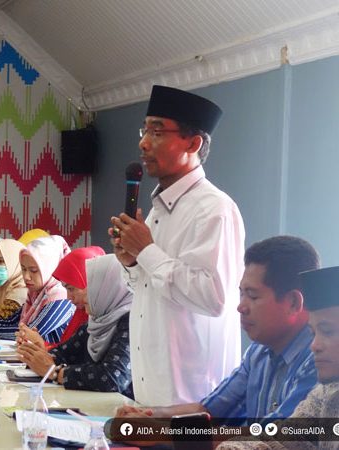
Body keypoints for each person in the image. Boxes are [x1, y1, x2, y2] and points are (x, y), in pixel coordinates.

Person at [109, 85, 245, 406]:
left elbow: (214, 297)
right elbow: (150, 288)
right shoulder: (158, 209)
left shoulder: (214, 209)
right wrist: (133, 262)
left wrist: (147, 252)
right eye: (144, 130)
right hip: (150, 391)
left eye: (157, 132)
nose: (143, 143)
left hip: (192, 398)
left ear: (193, 143)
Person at [116, 236, 320, 434]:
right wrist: (146, 415)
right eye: (241, 294)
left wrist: (161, 431)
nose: (241, 307)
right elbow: (209, 411)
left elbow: (271, 437)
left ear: (293, 302)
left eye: (253, 296)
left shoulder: (320, 360)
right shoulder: (258, 352)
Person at [217, 265, 339, 450]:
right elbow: (278, 439)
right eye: (313, 333)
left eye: (327, 331)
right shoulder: (324, 395)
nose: (314, 345)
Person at [18, 254, 133, 396]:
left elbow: (112, 378)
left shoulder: (131, 322)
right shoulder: (95, 321)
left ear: (106, 288)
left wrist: (55, 372)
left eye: (89, 287)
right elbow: (62, 354)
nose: (69, 297)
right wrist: (36, 355)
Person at [0, 235, 74, 343]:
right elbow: (12, 320)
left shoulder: (60, 296)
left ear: (50, 268)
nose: (26, 277)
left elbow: (31, 332)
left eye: (33, 270)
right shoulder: (35, 294)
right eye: (23, 269)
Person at [18, 245, 106, 349]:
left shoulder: (58, 298)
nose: (68, 297)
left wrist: (42, 347)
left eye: (71, 289)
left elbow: (70, 354)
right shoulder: (82, 312)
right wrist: (41, 345)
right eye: (23, 269)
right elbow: (66, 350)